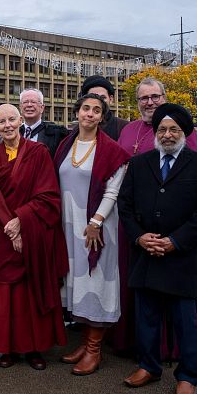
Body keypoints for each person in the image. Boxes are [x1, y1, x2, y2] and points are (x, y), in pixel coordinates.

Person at [118, 103, 197, 394]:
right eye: (162, 129)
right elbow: (125, 206)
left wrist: (176, 241)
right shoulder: (140, 164)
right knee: (146, 316)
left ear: (184, 133)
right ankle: (148, 366)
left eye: (173, 129)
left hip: (180, 255)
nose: (167, 134)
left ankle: (188, 375)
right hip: (146, 252)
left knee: (184, 319)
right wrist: (139, 237)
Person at [0, 104, 68, 370]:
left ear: (21, 121)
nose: (7, 125)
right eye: (1, 121)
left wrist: (21, 221)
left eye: (11, 119)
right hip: (2, 233)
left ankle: (34, 349)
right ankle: (7, 349)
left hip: (33, 232)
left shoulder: (38, 153)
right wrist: (10, 225)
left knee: (31, 291)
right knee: (4, 294)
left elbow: (49, 194)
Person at [55, 94, 130, 376]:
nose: (89, 114)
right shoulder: (66, 144)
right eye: (86, 108)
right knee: (78, 283)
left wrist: (96, 221)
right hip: (68, 225)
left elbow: (113, 191)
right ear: (77, 112)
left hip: (96, 228)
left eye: (96, 110)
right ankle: (85, 344)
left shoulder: (112, 151)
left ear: (102, 117)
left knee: (96, 283)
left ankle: (94, 350)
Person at [118, 77, 197, 156]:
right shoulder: (127, 129)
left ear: (164, 98)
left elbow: (193, 164)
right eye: (144, 98)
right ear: (138, 102)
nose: (150, 103)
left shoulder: (182, 127)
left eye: (155, 97)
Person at [19, 88, 68, 156]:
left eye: (33, 102)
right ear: (20, 107)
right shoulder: (15, 133)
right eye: (25, 102)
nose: (29, 105)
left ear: (42, 108)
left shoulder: (57, 134)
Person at [80, 75, 128, 141]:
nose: (98, 101)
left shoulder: (125, 128)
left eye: (102, 97)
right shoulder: (76, 131)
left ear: (111, 99)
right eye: (93, 97)